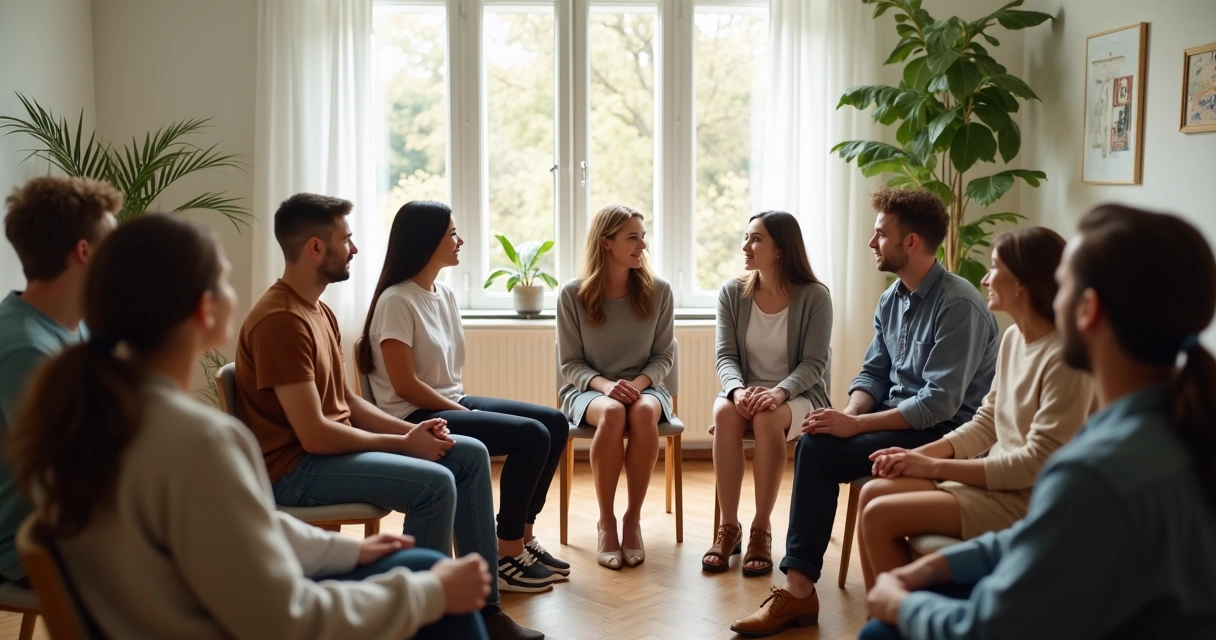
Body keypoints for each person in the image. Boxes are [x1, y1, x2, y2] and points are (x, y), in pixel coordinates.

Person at [7, 214, 491, 639]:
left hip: (184, 602)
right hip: (219, 618)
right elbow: (287, 621)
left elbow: (235, 525)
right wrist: (427, 597)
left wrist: (343, 553)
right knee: (431, 580)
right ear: (205, 308)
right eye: (226, 279)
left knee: (421, 566)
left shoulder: (103, 413)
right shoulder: (200, 441)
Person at [859, 204, 1216, 639]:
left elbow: (994, 626)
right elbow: (1050, 529)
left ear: (1088, 308)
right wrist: (943, 564)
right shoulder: (1176, 426)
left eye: (1062, 283)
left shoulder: (1093, 472)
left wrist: (903, 606)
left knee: (879, 633)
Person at [235, 194, 539, 640]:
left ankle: (485, 609)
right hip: (295, 469)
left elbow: (348, 403)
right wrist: (403, 445)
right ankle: (419, 623)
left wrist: (412, 431)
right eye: (347, 239)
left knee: (467, 452)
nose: (355, 249)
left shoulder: (317, 309)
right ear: (316, 248)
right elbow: (315, 434)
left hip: (325, 454)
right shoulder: (282, 321)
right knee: (434, 484)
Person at [732, 188, 999, 637]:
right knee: (817, 440)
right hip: (898, 419)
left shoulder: (959, 305)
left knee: (819, 448)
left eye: (880, 234)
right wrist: (844, 414)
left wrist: (854, 424)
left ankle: (799, 593)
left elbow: (939, 404)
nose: (872, 243)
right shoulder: (893, 298)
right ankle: (799, 591)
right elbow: (873, 376)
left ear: (909, 242)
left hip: (947, 434)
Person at [856, 227, 1096, 589]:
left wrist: (933, 465)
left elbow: (1035, 464)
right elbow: (987, 422)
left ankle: (901, 617)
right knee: (873, 491)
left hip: (1028, 500)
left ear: (1022, 284)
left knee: (879, 516)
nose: (985, 278)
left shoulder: (1065, 359)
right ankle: (901, 618)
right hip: (999, 485)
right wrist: (915, 456)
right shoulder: (1014, 337)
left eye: (995, 267)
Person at [357, 200, 570, 593]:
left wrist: (460, 404)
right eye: (452, 233)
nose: (461, 240)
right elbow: (404, 385)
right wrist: (459, 408)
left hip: (450, 400)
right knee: (532, 435)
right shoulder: (396, 301)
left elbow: (447, 378)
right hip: (414, 415)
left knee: (554, 422)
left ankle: (522, 538)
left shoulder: (444, 294)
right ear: (425, 241)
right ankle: (506, 553)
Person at [0, 176, 120, 585]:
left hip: (81, 522)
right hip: (31, 542)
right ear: (84, 252)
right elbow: (65, 475)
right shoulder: (23, 347)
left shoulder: (77, 329)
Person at [703, 211, 833, 577]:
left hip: (798, 393)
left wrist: (778, 393)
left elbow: (813, 364)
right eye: (746, 237)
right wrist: (737, 389)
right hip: (744, 391)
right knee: (725, 414)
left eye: (756, 239)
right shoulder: (732, 292)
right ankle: (729, 527)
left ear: (780, 249)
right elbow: (725, 355)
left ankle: (762, 527)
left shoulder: (815, 297)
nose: (746, 246)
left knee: (766, 417)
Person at [557, 204, 674, 570]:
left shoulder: (660, 292)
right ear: (606, 243)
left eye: (643, 236)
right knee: (611, 412)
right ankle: (606, 522)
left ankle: (632, 519)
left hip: (646, 387)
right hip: (589, 389)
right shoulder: (572, 295)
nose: (643, 245)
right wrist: (607, 387)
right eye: (633, 237)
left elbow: (663, 357)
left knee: (640, 414)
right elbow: (570, 364)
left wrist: (636, 386)